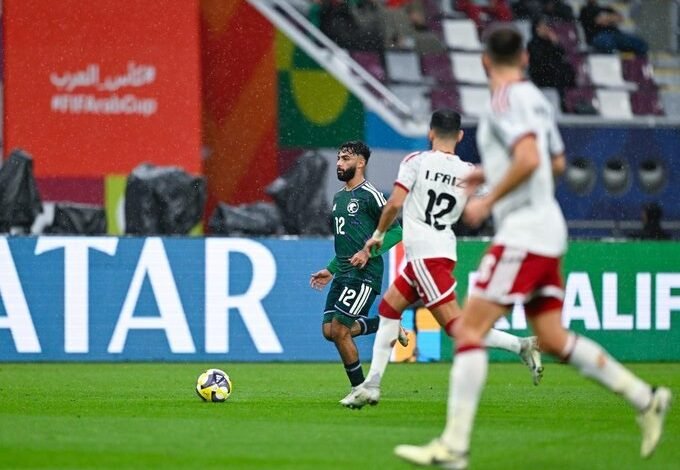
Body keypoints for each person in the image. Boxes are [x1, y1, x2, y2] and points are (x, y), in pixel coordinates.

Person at [394, 26, 671, 469]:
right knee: (554, 338)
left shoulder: (503, 100)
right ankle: (645, 398)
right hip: (548, 228)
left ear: (485, 62)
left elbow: (529, 159)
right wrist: (489, 175)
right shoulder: (538, 101)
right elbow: (555, 162)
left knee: (468, 330)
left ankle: (454, 447)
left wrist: (489, 200)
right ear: (524, 58)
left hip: (522, 232)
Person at [339, 109, 543, 410]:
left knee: (457, 328)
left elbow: (394, 203)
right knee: (388, 310)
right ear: (460, 136)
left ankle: (520, 345)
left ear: (430, 132)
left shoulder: (416, 161)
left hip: (426, 255)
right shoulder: (467, 171)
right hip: (437, 251)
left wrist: (378, 234)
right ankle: (371, 385)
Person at [310, 140, 408, 404]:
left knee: (340, 330)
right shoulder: (339, 198)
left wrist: (368, 252)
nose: (339, 163)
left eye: (346, 159)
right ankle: (388, 325)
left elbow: (396, 232)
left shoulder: (370, 195)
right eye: (339, 158)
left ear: (361, 163)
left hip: (365, 273)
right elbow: (346, 244)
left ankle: (360, 389)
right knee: (329, 331)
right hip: (342, 273)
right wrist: (330, 270)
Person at [527, 16, 576, 107]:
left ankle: (565, 102)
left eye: (547, 26)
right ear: (537, 29)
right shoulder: (532, 44)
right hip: (541, 72)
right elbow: (540, 59)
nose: (547, 29)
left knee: (566, 70)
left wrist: (555, 43)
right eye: (543, 27)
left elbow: (561, 55)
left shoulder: (550, 42)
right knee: (557, 72)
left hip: (553, 71)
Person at [579, 0, 647, 56]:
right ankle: (612, 63)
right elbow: (599, 21)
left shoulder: (605, 8)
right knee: (608, 44)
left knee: (640, 44)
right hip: (597, 35)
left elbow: (620, 18)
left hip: (615, 34)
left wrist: (606, 18)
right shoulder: (585, 9)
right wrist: (610, 18)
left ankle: (637, 66)